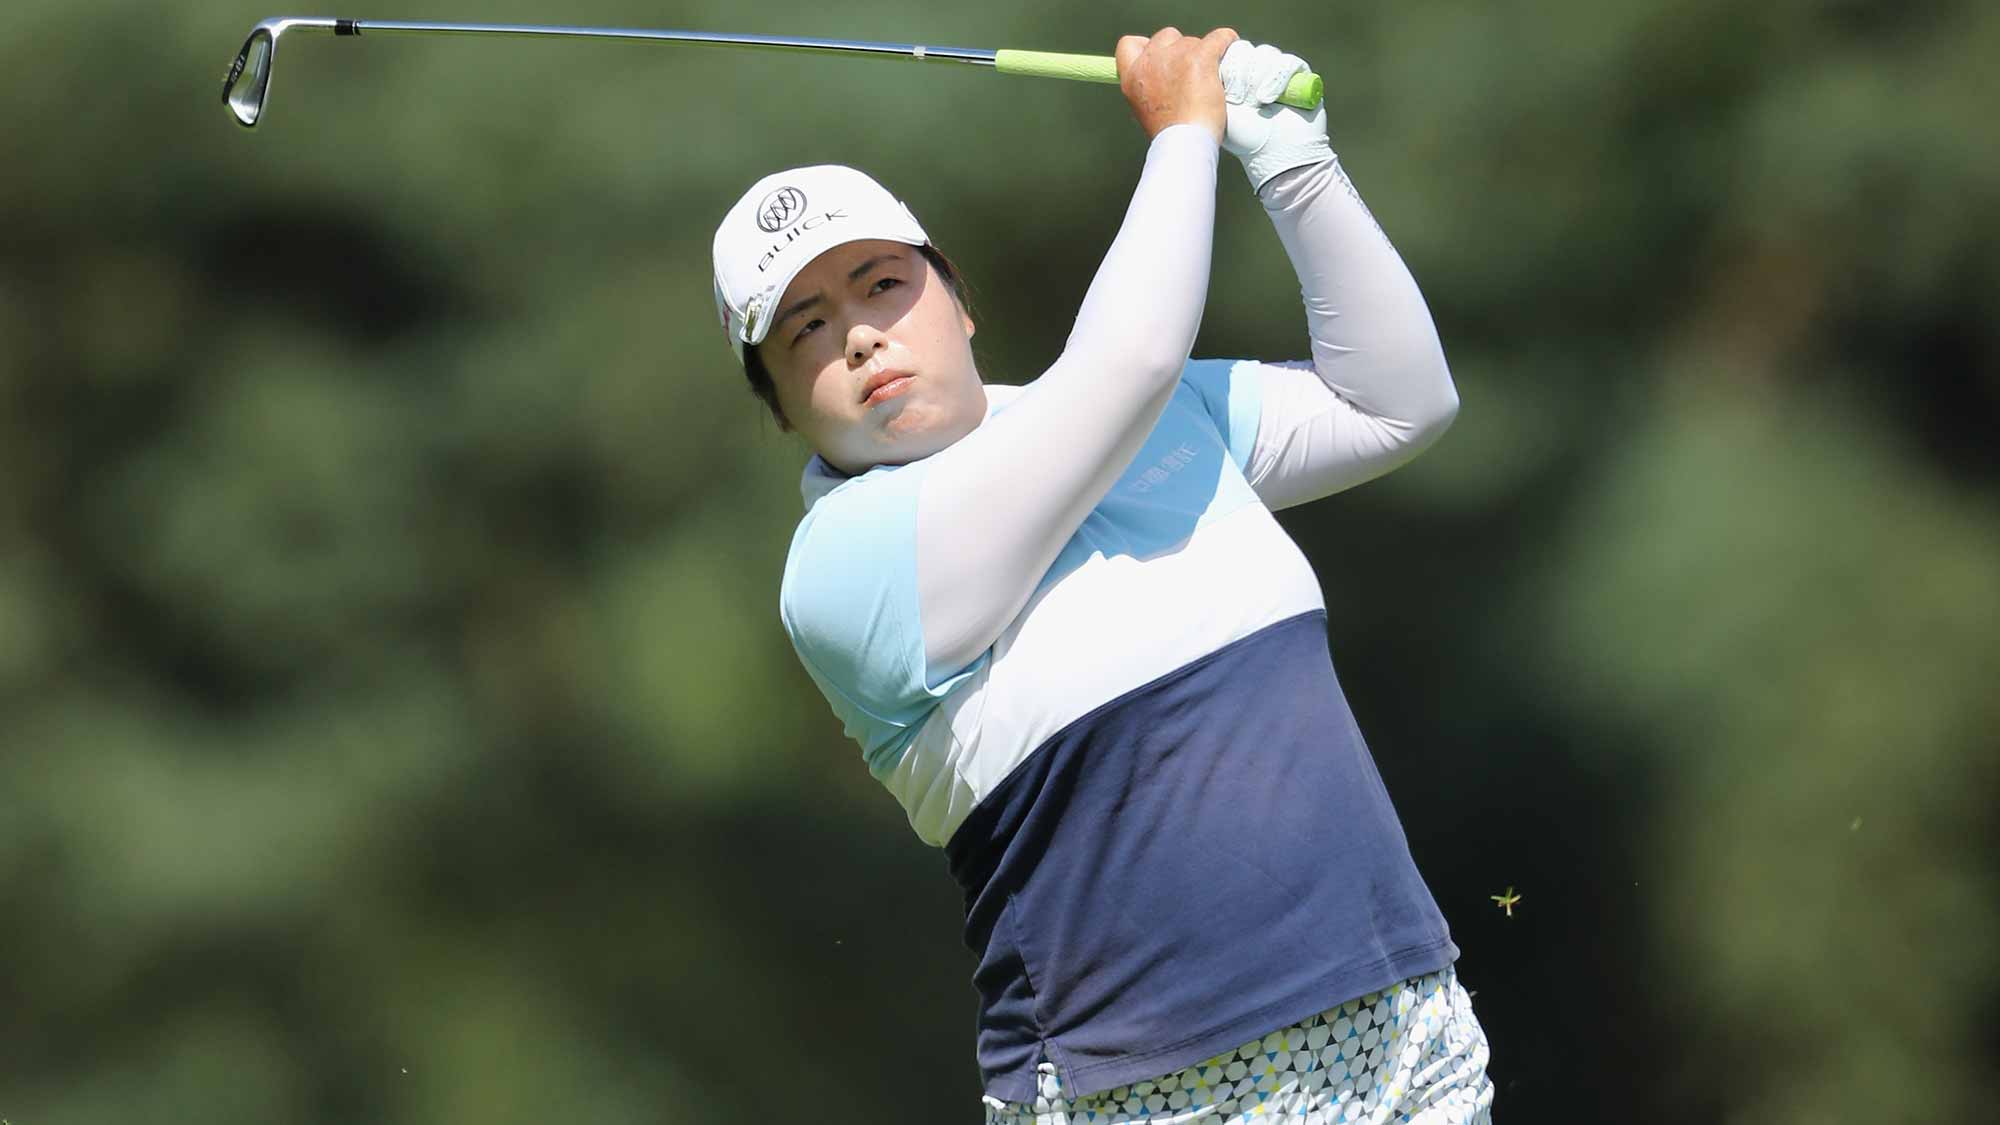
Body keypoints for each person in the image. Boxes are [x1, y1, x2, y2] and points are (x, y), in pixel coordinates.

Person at [709, 26, 1494, 1124]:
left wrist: (1290, 163)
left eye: (880, 283)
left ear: (958, 300)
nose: (856, 339)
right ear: (783, 408)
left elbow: (1397, 404)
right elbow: (1126, 362)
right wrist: (1181, 136)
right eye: (803, 328)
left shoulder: (1150, 418)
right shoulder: (840, 571)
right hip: (1139, 1089)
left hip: (1400, 1026)